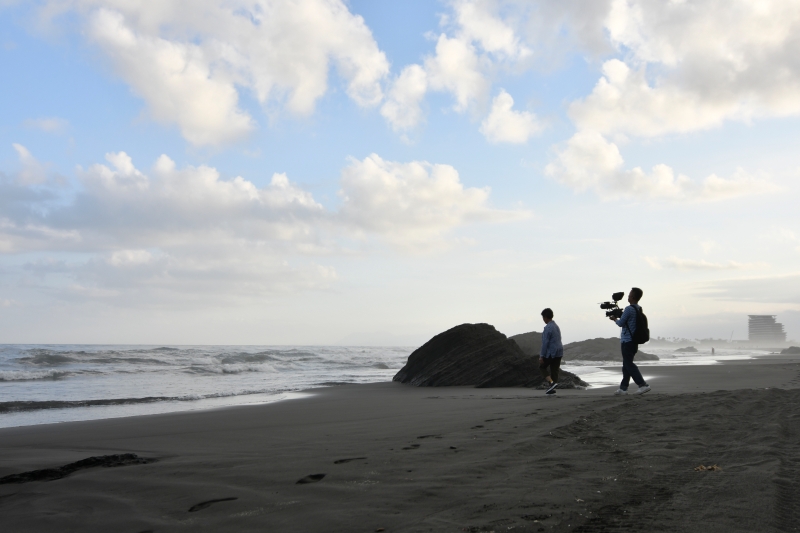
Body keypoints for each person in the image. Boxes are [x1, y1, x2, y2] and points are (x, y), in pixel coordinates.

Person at [609, 287, 651, 396]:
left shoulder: (629, 309)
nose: (628, 296)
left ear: (632, 297)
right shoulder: (638, 308)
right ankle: (623, 389)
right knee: (626, 365)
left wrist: (615, 319)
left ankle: (643, 385)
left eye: (629, 295)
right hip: (634, 341)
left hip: (627, 341)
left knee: (628, 364)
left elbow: (621, 323)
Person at [539, 308, 563, 395]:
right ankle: (552, 388)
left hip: (551, 352)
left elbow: (545, 343)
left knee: (542, 367)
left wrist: (542, 355)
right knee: (555, 370)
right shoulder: (556, 326)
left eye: (543, 317)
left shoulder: (548, 327)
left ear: (545, 317)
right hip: (559, 351)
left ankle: (552, 383)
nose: (543, 319)